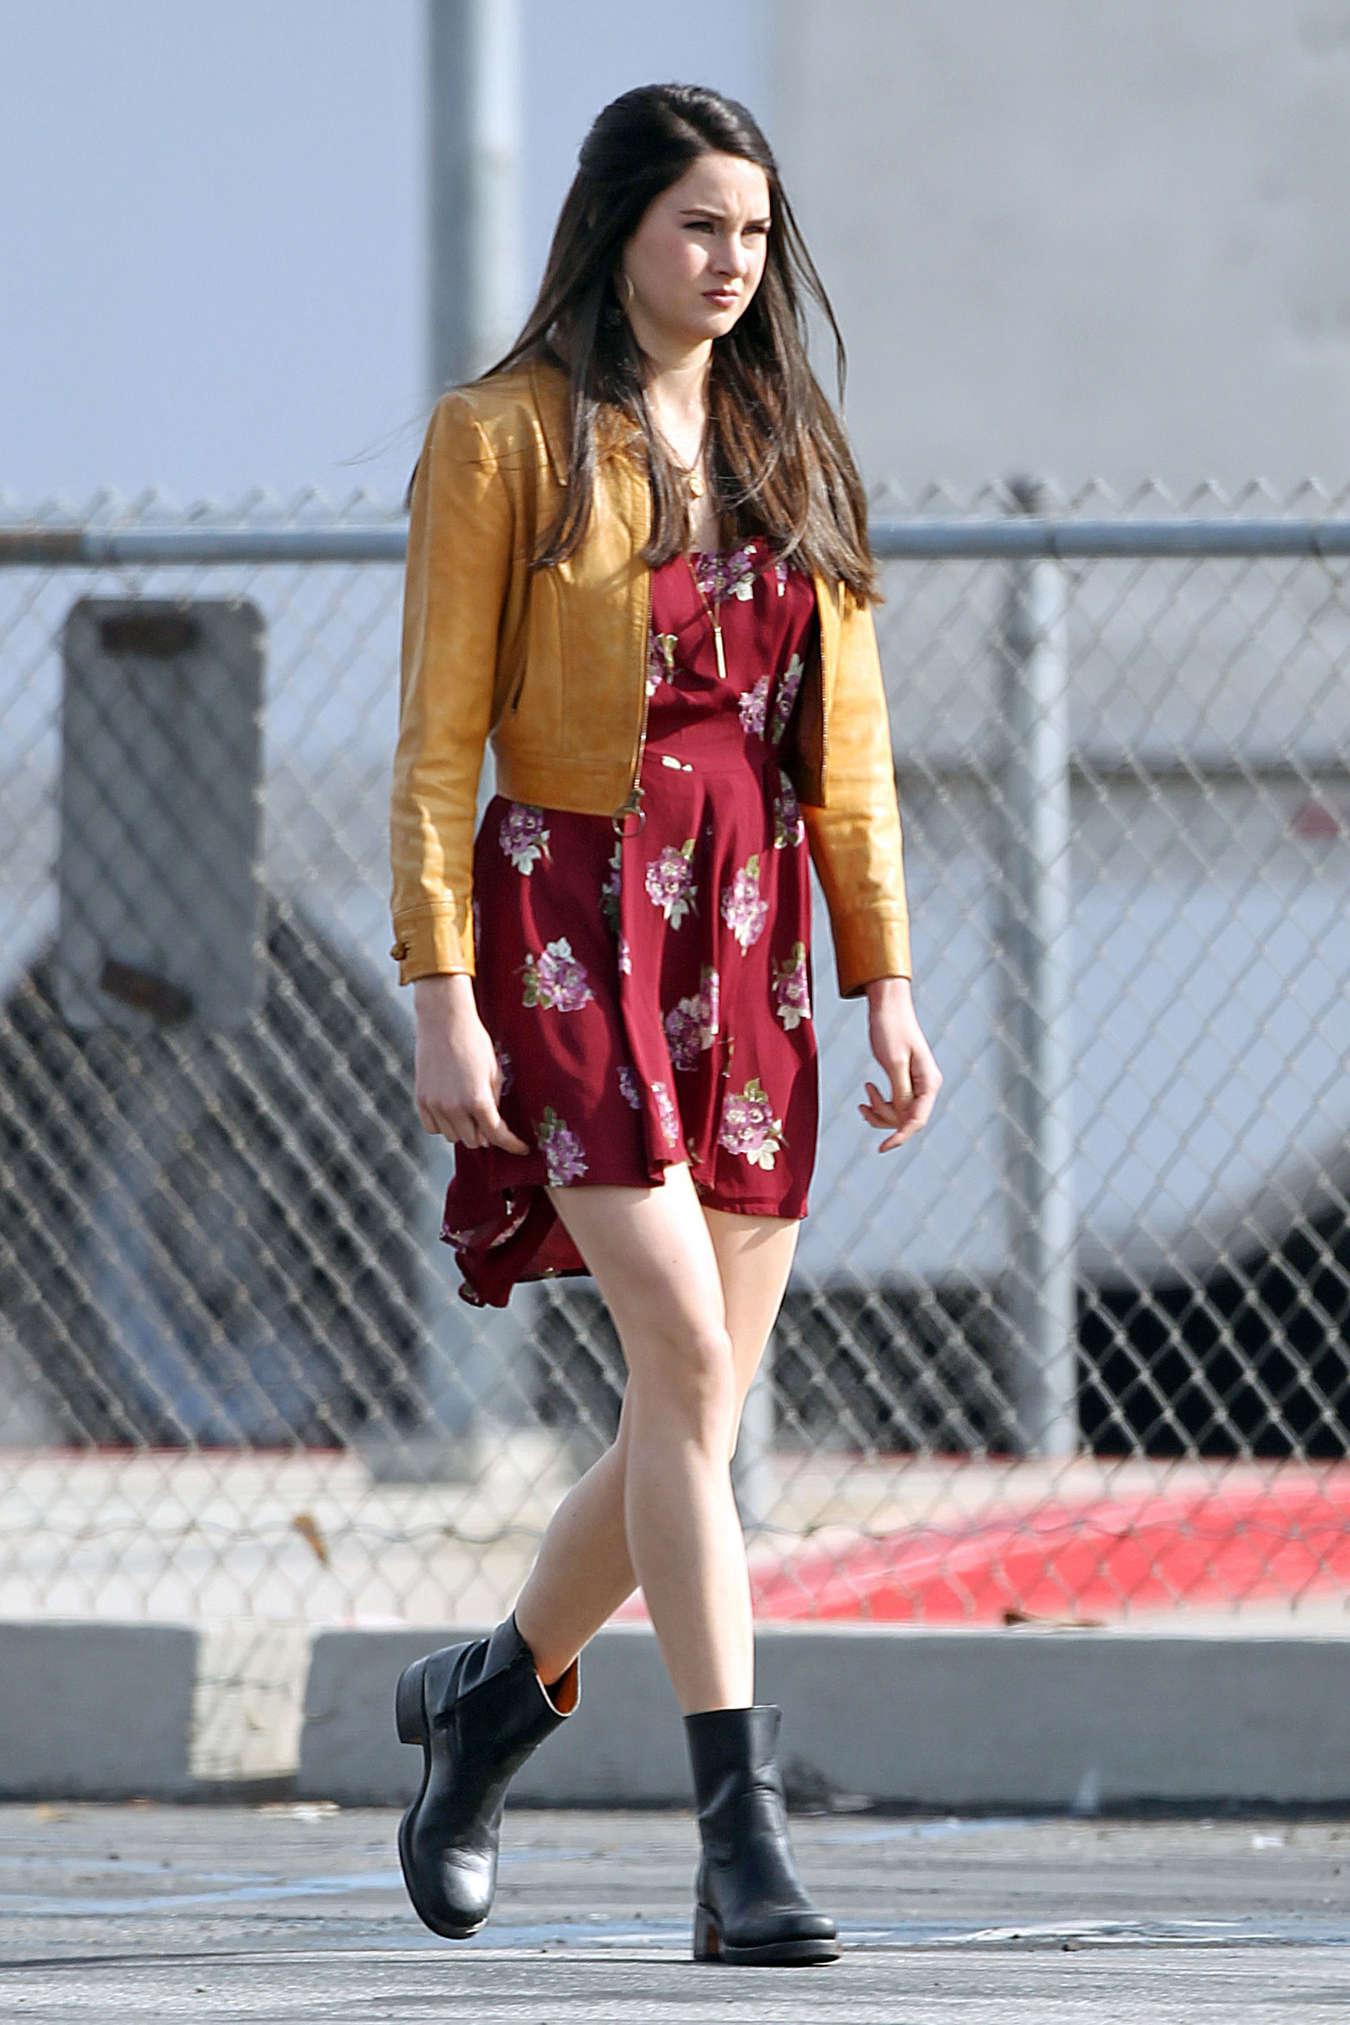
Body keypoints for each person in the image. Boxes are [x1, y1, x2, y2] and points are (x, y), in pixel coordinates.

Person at [387, 81, 941, 1968]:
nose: (730, 263)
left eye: (755, 234)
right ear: (618, 225)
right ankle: (737, 1842)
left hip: (747, 939)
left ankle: (486, 1704)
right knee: (688, 1370)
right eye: (700, 224)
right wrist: (439, 995)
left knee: (682, 1410)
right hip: (568, 925)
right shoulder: (500, 437)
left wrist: (884, 978)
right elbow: (435, 741)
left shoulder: (789, 442)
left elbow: (845, 747)